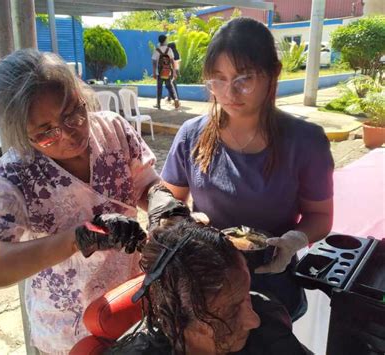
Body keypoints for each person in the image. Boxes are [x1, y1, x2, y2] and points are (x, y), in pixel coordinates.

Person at [0, 48, 159, 353]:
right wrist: (75, 240)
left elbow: (145, 183)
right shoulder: (15, 174)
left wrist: (165, 205)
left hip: (129, 302)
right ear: (23, 136)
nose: (69, 134)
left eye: (73, 114)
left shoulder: (113, 130)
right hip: (68, 330)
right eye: (46, 133)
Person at [159, 17, 334, 321]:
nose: (229, 92)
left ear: (273, 73)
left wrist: (295, 240)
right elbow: (167, 201)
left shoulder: (306, 141)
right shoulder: (191, 134)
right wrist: (180, 219)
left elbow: (320, 216)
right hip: (205, 283)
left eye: (244, 78)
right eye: (218, 79)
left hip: (272, 284)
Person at [108, 221, 312, 354]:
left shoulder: (267, 315)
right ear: (178, 320)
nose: (253, 320)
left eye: (247, 298)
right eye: (231, 311)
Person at [152, 34, 179, 110]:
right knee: (169, 86)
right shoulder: (169, 50)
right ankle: (175, 99)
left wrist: (154, 72)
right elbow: (172, 61)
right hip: (168, 72)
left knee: (159, 88)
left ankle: (158, 104)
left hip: (159, 73)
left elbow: (154, 62)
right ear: (164, 40)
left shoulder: (157, 50)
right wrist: (174, 72)